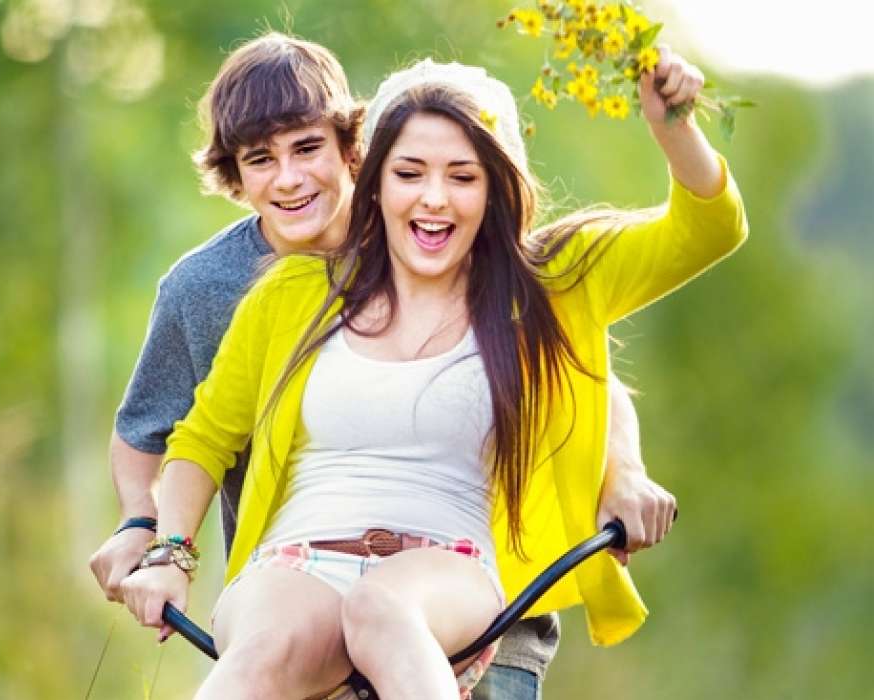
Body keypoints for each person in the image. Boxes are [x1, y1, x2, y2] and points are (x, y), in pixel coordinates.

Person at [94, 34, 682, 698]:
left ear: (355, 150)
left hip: (474, 593)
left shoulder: (458, 242)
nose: (290, 178)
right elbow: (162, 435)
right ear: (234, 173)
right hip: (297, 589)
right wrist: (145, 531)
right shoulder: (216, 290)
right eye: (261, 159)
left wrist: (623, 471)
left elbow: (579, 376)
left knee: (401, 626)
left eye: (308, 148)